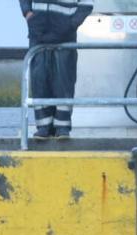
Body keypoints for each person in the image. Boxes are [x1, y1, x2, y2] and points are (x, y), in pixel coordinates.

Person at [21, 0, 92, 140]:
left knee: (63, 82)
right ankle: (43, 127)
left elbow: (87, 3)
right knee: (39, 80)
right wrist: (27, 13)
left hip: (64, 36)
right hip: (38, 32)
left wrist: (71, 24)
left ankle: (62, 127)